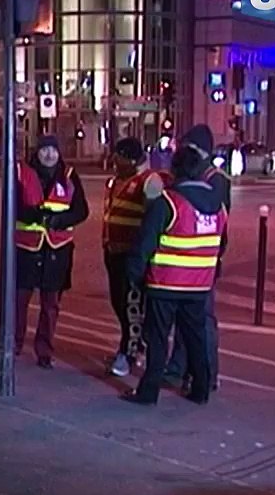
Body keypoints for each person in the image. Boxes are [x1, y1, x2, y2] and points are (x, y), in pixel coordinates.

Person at [123, 143, 228, 406]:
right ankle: (200, 389)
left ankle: (148, 392)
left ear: (176, 170)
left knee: (157, 339)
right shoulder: (218, 206)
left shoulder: (167, 202)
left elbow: (144, 244)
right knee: (195, 337)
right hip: (199, 284)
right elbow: (221, 244)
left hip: (165, 283)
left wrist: (134, 275)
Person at [163, 125, 229, 392]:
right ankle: (180, 368)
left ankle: (207, 373)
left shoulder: (215, 179)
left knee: (201, 320)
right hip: (187, 262)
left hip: (201, 261)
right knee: (186, 319)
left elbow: (217, 222)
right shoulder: (190, 173)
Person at [14, 135, 89, 369]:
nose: (49, 155)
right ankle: (14, 343)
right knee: (19, 301)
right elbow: (14, 207)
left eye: (53, 150)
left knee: (51, 305)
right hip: (27, 247)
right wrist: (36, 215)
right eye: (45, 149)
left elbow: (81, 210)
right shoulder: (21, 173)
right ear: (37, 152)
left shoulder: (69, 176)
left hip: (58, 249)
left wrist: (58, 220)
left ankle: (44, 350)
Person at [102, 137, 166, 377]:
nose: (114, 161)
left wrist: (142, 255)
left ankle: (129, 354)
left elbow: (152, 220)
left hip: (132, 255)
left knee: (132, 307)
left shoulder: (148, 182)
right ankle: (131, 346)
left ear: (130, 158)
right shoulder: (116, 180)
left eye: (118, 156)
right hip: (114, 252)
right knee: (119, 304)